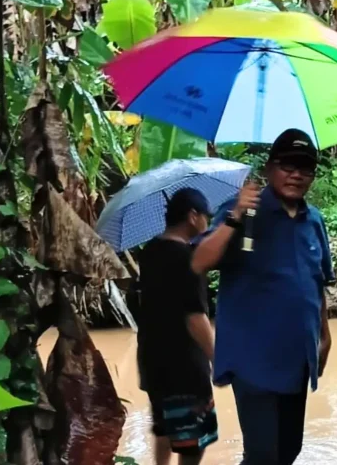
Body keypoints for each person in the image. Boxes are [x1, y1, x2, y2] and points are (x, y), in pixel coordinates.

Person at [192, 129, 334, 465]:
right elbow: (199, 261)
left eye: (305, 168)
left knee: (289, 449)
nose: (296, 174)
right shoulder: (243, 212)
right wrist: (236, 215)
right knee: (263, 456)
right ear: (269, 168)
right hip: (252, 358)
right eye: (287, 166)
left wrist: (325, 336)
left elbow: (317, 282)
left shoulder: (314, 221)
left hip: (297, 356)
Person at [136, 187, 218, 465]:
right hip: (185, 367)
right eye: (206, 216)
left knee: (164, 427)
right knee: (193, 442)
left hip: (152, 362)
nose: (207, 222)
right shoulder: (190, 258)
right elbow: (195, 318)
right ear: (193, 216)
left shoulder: (150, 251)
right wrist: (217, 359)